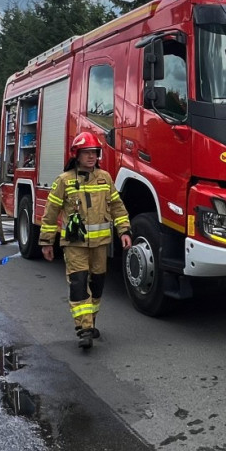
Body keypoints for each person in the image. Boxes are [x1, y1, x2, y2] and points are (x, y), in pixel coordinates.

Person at [39, 132, 132, 349]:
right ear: (76, 155)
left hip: (100, 245)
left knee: (97, 285)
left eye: (94, 153)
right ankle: (84, 328)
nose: (91, 157)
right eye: (86, 153)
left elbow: (117, 207)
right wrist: (46, 242)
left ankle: (91, 321)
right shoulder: (64, 181)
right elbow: (51, 213)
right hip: (75, 245)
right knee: (79, 284)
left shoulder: (105, 178)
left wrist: (124, 231)